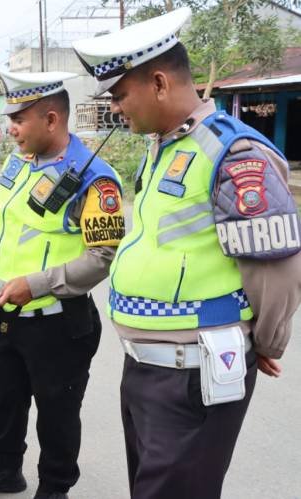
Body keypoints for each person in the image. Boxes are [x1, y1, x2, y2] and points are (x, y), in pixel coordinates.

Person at [73, 8, 301, 499]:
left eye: (119, 94)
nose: (115, 108)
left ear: (158, 82)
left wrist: (262, 343)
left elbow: (276, 268)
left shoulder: (232, 153)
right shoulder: (165, 147)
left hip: (193, 375)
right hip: (149, 369)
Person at [0, 70, 125, 499]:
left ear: (51, 120)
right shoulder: (19, 161)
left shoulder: (94, 177)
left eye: (19, 119)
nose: (9, 128)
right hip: (12, 313)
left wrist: (37, 283)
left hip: (60, 323)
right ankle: (5, 470)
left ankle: (54, 489)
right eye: (8, 118)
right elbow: (2, 218)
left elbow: (102, 257)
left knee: (58, 413)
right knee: (7, 399)